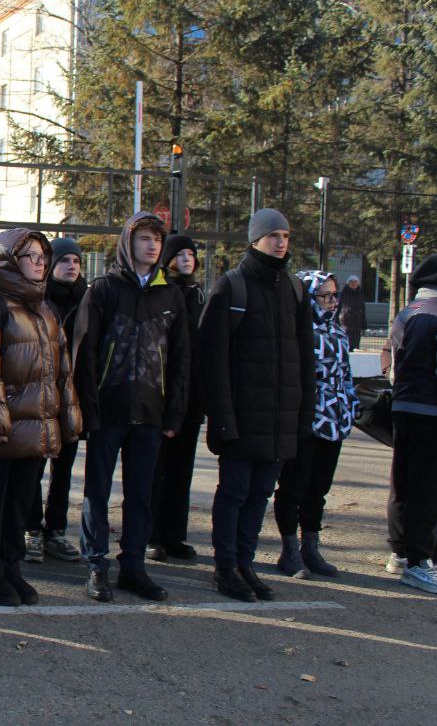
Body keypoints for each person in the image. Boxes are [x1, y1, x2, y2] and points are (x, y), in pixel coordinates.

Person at [199, 208, 314, 602]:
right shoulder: (231, 288)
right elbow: (212, 362)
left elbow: (305, 360)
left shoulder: (295, 290)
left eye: (285, 235)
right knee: (233, 494)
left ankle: (245, 563)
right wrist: (222, 419)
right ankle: (225, 567)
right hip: (242, 418)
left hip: (281, 420)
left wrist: (304, 416)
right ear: (254, 239)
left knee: (259, 496)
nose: (281, 242)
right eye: (273, 235)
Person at [73, 212, 189, 603]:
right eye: (143, 238)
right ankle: (96, 566)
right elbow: (84, 354)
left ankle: (134, 566)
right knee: (97, 492)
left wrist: (173, 414)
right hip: (108, 412)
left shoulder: (170, 294)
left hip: (151, 415)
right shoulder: (105, 289)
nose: (152, 246)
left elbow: (181, 360)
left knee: (141, 494)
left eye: (156, 239)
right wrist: (88, 410)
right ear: (128, 242)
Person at [0, 229, 81, 606]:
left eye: (42, 256)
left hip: (36, 430)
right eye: (31, 256)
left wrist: (67, 419)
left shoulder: (46, 311)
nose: (41, 262)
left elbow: (62, 371)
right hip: (4, 433)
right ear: (9, 262)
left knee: (19, 506)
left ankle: (12, 567)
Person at [274, 270, 357, 579]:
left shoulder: (338, 331)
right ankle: (289, 549)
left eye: (335, 295)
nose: (332, 301)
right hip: (305, 419)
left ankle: (311, 545)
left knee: (318, 488)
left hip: (334, 420)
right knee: (294, 486)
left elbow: (346, 374)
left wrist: (349, 406)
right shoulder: (297, 331)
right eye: (325, 295)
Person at [26, 236, 87, 564]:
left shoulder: (88, 301)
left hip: (72, 399)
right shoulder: (38, 300)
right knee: (34, 468)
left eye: (76, 262)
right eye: (65, 261)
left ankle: (56, 530)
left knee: (63, 471)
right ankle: (32, 528)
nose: (72, 267)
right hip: (39, 399)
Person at [382, 253, 437, 593]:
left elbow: (391, 362)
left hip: (404, 407)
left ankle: (400, 552)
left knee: (401, 481)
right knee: (428, 488)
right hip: (433, 411)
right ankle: (420, 560)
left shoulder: (408, 313)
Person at [147, 233, 206, 562]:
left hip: (191, 396)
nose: (186, 259)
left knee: (182, 470)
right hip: (162, 393)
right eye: (180, 254)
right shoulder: (161, 292)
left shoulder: (198, 294)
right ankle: (152, 534)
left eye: (191, 254)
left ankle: (174, 535)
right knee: (157, 469)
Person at [338, 275, 365, 351]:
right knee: (345, 344)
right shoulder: (343, 294)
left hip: (357, 324)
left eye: (355, 282)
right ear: (348, 283)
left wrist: (364, 324)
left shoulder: (360, 294)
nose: (354, 283)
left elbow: (363, 309)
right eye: (351, 282)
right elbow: (338, 308)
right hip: (345, 323)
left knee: (355, 346)